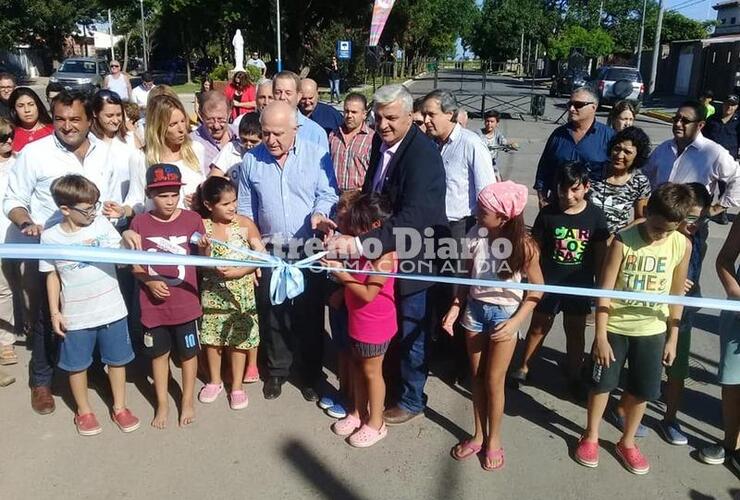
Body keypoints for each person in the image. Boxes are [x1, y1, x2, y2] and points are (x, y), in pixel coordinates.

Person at [326, 84, 448, 425]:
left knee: (411, 331)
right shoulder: (383, 143)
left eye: (392, 118)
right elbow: (371, 194)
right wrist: (349, 227)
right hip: (383, 253)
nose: (383, 125)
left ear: (412, 116)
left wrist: (361, 245)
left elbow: (417, 216)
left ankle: (411, 399)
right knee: (384, 331)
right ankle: (386, 388)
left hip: (413, 259)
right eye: (378, 118)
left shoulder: (422, 155)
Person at [4, 89, 116, 415]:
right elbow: (13, 200)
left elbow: (108, 198)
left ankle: (91, 369)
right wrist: (26, 222)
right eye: (60, 119)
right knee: (45, 317)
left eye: (75, 119)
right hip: (50, 252)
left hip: (94, 253)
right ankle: (42, 380)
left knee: (91, 314)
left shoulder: (105, 152)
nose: (67, 126)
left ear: (90, 119)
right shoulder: (34, 154)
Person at [574, 183, 693, 475]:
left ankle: (627, 442)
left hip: (652, 329)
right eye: (655, 227)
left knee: (643, 390)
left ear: (679, 224)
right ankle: (590, 435)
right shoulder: (623, 241)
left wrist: (672, 337)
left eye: (667, 230)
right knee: (602, 385)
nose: (659, 235)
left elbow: (676, 295)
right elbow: (605, 290)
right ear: (647, 212)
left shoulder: (681, 245)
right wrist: (600, 336)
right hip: (615, 327)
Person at [236, 101, 338, 401]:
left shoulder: (316, 154)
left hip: (308, 248)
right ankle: (277, 370)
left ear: (295, 129)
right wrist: (254, 251)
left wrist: (319, 214)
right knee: (272, 312)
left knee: (309, 314)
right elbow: (245, 210)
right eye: (266, 133)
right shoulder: (251, 162)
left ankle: (309, 374)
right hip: (270, 250)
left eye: (278, 133)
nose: (271, 140)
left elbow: (327, 192)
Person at [442, 181, 544, 471]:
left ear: (503, 217)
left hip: (504, 316)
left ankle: (494, 440)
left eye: (483, 210)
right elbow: (465, 277)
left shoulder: (525, 246)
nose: (477, 212)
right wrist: (455, 307)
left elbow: (538, 289)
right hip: (474, 312)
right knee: (475, 378)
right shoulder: (476, 234)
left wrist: (515, 323)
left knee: (493, 381)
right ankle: (478, 433)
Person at [40, 174, 139, 436]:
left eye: (95, 205)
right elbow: (52, 275)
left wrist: (127, 235)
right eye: (87, 209)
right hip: (76, 314)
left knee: (117, 361)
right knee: (77, 365)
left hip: (112, 308)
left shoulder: (102, 225)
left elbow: (121, 258)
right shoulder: (50, 238)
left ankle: (120, 406)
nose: (93, 213)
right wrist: (55, 312)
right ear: (65, 209)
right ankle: (84, 411)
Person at [511, 162, 610, 400]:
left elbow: (600, 255)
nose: (568, 195)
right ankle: (524, 367)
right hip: (547, 284)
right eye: (562, 189)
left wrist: (600, 287)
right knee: (538, 327)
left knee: (575, 332)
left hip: (580, 285)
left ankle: (574, 374)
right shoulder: (548, 214)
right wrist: (530, 282)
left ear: (586, 187)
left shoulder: (595, 216)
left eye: (575, 189)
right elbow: (535, 250)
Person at [128, 164, 205, 428]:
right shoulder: (139, 223)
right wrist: (148, 281)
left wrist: (206, 248)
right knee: (158, 355)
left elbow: (203, 261)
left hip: (186, 304)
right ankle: (161, 403)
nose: (169, 201)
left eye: (174, 194)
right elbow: (135, 265)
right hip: (153, 307)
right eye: (162, 195)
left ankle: (187, 401)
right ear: (150, 193)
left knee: (188, 354)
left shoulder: (193, 219)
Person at [323, 192, 397, 448]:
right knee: (357, 367)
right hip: (357, 320)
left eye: (357, 226)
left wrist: (342, 277)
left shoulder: (385, 257)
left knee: (372, 372)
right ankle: (357, 412)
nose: (353, 231)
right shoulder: (363, 249)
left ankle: (376, 422)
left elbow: (368, 294)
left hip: (375, 324)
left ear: (375, 226)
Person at [194, 176, 265, 409]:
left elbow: (261, 255)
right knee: (212, 340)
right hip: (213, 292)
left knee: (239, 340)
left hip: (241, 292)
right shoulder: (202, 227)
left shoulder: (245, 223)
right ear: (208, 205)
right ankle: (214, 381)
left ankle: (237, 386)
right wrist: (205, 252)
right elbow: (200, 264)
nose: (232, 207)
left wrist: (241, 271)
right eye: (225, 204)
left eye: (234, 201)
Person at [655, 183, 712, 445]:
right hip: (654, 316)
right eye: (690, 218)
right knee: (646, 369)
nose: (695, 224)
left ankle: (670, 419)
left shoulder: (698, 239)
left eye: (701, 218)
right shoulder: (658, 236)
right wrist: (672, 282)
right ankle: (625, 409)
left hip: (682, 317)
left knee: (677, 371)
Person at [643, 100, 740, 230]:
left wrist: (717, 208)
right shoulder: (663, 148)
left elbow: (737, 178)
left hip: (690, 225)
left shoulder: (713, 152)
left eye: (685, 121)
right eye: (676, 119)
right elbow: (645, 175)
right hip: (660, 223)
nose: (678, 124)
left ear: (700, 125)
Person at [422, 89, 495, 253]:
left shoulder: (471, 144)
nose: (426, 120)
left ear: (449, 114)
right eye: (424, 114)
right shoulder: (430, 143)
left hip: (460, 228)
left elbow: (487, 191)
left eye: (431, 114)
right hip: (432, 225)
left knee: (454, 276)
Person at [701, 214, 740, 471]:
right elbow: (724, 259)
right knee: (733, 379)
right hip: (738, 313)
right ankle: (730, 444)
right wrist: (736, 294)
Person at [534, 87, 614, 206]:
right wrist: (542, 198)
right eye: (570, 104)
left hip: (593, 208)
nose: (571, 109)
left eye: (578, 105)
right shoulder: (558, 135)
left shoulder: (608, 137)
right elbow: (544, 169)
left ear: (593, 107)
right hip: (558, 206)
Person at [90, 90, 146, 220]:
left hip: (123, 216)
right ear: (95, 113)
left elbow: (138, 185)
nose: (115, 120)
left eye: (119, 115)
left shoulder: (130, 140)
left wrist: (125, 210)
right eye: (109, 116)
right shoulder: (88, 142)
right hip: (94, 218)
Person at [145, 95, 205, 208]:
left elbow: (204, 185)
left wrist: (201, 199)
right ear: (158, 127)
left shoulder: (196, 149)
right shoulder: (143, 157)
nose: (181, 129)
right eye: (173, 124)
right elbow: (136, 199)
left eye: (183, 121)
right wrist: (123, 211)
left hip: (193, 221)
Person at [589, 126, 652, 234]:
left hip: (615, 243)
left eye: (627, 152)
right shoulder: (591, 171)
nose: (619, 155)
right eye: (617, 148)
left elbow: (640, 219)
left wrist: (616, 237)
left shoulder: (640, 182)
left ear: (638, 156)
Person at [0, 118, 17, 382]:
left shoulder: (19, 163)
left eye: (10, 136)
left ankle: (6, 340)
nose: (9, 141)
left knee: (5, 290)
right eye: (3, 138)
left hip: (12, 237)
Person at [272, 71, 329, 152]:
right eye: (278, 92)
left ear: (299, 96)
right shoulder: (263, 127)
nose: (282, 97)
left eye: (288, 93)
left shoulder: (316, 133)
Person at [329, 92, 374, 192]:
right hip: (334, 196)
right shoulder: (333, 135)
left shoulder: (372, 139)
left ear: (364, 114)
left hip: (359, 198)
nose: (349, 115)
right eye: (346, 111)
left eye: (354, 112)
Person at [211, 112, 262, 184]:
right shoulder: (231, 148)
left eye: (253, 141)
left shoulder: (267, 153)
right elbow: (214, 177)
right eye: (244, 140)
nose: (248, 145)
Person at [190, 91, 233, 175]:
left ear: (229, 114)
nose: (216, 126)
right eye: (210, 120)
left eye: (221, 119)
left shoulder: (240, 136)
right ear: (201, 116)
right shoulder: (192, 143)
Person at [8, 87, 53, 153]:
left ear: (37, 106)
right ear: (14, 110)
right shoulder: (9, 134)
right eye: (21, 106)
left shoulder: (53, 131)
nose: (27, 110)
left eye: (31, 104)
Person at [478, 109, 516, 178]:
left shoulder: (498, 134)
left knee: (498, 180)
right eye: (487, 121)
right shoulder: (478, 134)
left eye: (492, 122)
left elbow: (503, 142)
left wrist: (510, 146)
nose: (489, 124)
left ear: (497, 123)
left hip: (492, 164)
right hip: (479, 164)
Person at [703, 93, 740, 159]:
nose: (729, 107)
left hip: (729, 160)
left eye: (733, 105)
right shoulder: (711, 119)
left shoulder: (738, 123)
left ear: (737, 106)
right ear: (723, 104)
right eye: (727, 104)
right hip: (709, 157)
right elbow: (703, 137)